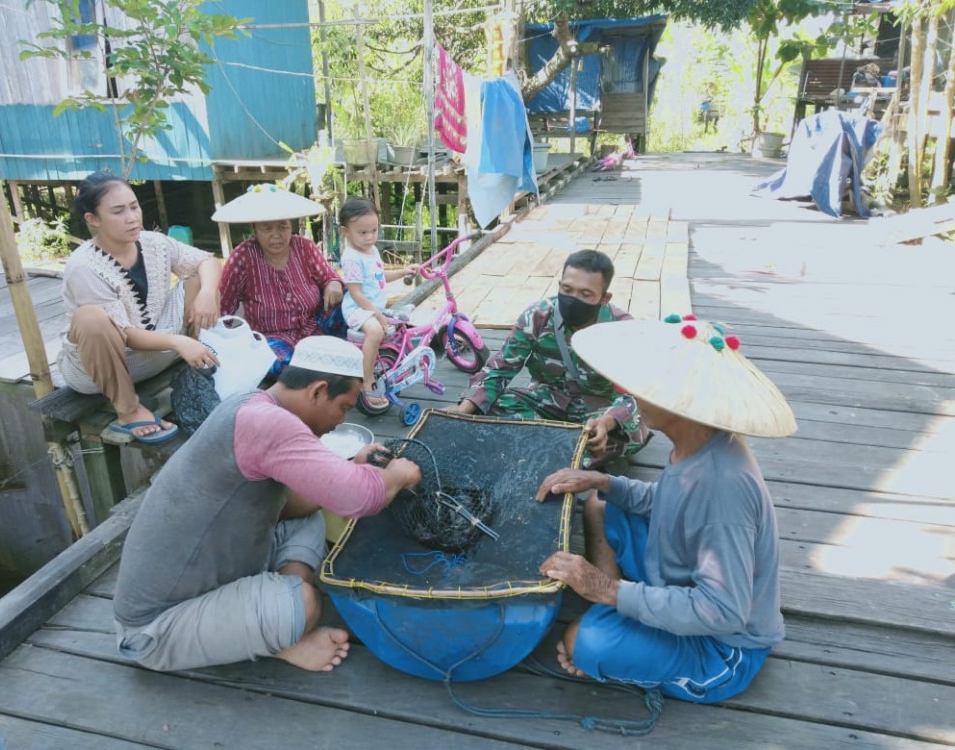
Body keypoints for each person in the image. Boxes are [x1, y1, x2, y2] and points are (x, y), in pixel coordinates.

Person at [113, 335, 422, 673]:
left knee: (308, 514)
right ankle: (284, 631)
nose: (339, 420)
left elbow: (301, 501)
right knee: (305, 605)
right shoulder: (268, 423)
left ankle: (281, 603)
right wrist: (398, 475)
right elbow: (359, 497)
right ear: (318, 390)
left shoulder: (254, 404)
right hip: (155, 628)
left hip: (220, 565)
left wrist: (357, 469)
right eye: (343, 408)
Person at [535, 317, 797, 703]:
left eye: (645, 387)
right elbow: (671, 502)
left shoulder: (723, 489)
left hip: (722, 646)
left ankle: (611, 612)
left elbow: (724, 612)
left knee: (585, 643)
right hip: (680, 582)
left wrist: (607, 589)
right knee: (602, 504)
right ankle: (616, 607)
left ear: (680, 401)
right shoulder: (698, 441)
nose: (634, 395)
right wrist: (605, 482)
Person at [58, 172, 222, 444]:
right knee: (90, 319)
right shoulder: (84, 267)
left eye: (134, 206)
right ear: (93, 219)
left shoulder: (153, 243)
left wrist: (206, 293)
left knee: (199, 278)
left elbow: (207, 260)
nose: (132, 217)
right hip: (104, 368)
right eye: (118, 211)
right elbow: (126, 334)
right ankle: (128, 410)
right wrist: (178, 341)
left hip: (160, 352)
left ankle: (194, 350)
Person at [451, 249, 648, 466]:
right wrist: (463, 412)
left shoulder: (623, 330)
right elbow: (500, 369)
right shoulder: (537, 316)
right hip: (545, 401)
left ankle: (535, 450)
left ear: (604, 298)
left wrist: (606, 422)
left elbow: (638, 394)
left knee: (632, 432)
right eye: (567, 289)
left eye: (585, 294)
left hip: (596, 413)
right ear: (559, 285)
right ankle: (567, 455)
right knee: (488, 405)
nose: (573, 300)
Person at [214, 183, 346, 376]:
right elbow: (224, 309)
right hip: (272, 337)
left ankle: (345, 353)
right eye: (267, 228)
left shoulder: (304, 247)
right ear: (255, 229)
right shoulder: (242, 257)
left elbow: (329, 276)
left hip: (314, 325)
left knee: (349, 298)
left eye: (282, 227)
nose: (276, 235)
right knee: (281, 366)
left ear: (290, 226)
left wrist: (333, 282)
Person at [338, 196, 418, 409]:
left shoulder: (372, 251)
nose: (370, 237)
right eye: (363, 232)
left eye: (374, 230)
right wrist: (377, 315)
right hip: (357, 308)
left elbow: (380, 277)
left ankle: (392, 362)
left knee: (400, 324)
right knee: (375, 331)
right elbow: (355, 293)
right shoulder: (352, 257)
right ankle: (366, 381)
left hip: (372, 307)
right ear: (345, 231)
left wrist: (403, 271)